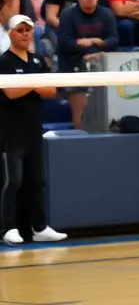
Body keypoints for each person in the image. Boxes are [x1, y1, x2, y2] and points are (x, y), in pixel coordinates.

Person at [0, 15, 67, 246]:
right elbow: (11, 93)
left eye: (28, 30)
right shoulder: (3, 61)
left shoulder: (38, 60)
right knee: (13, 181)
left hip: (33, 130)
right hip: (10, 132)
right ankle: (7, 228)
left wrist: (27, 84)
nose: (25, 34)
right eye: (20, 30)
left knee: (38, 180)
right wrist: (34, 84)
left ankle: (39, 227)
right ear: (10, 34)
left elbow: (51, 91)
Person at [56, 0, 118, 129]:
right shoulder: (67, 14)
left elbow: (114, 40)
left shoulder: (106, 13)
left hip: (101, 64)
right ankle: (80, 138)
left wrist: (94, 42)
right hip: (73, 66)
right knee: (82, 110)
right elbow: (65, 42)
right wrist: (89, 49)